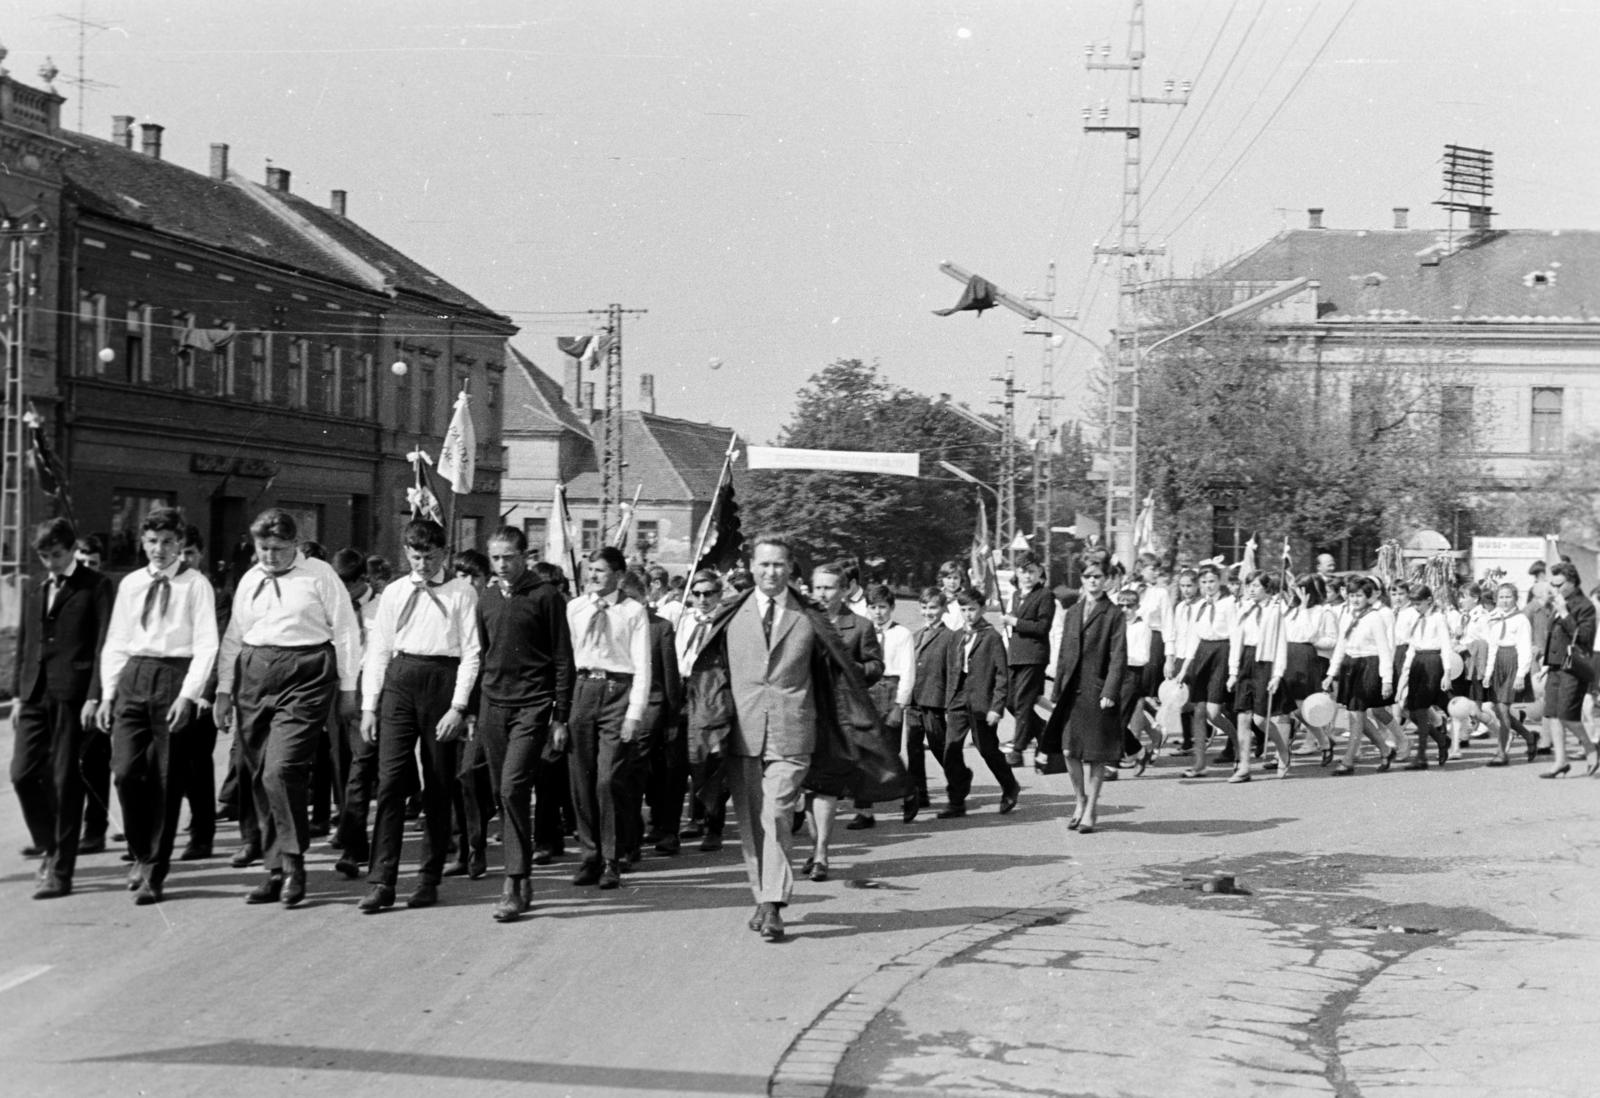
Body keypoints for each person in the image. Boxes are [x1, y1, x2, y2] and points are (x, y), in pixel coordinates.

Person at [684, 533, 905, 942]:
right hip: (743, 733)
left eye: (779, 565)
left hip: (793, 732)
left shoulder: (810, 617)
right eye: (764, 564)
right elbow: (711, 675)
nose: (771, 572)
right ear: (752, 567)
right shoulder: (730, 614)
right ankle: (762, 893)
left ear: (790, 569)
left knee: (778, 814)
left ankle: (773, 903)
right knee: (751, 822)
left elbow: (839, 674)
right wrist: (710, 726)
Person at [214, 508, 361, 909]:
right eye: (263, 548)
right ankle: (274, 869)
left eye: (279, 549)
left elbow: (346, 631)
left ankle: (295, 865)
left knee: (282, 768)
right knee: (260, 772)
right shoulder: (249, 580)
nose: (271, 557)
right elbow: (234, 636)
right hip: (255, 675)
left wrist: (349, 689)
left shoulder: (319, 575)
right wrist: (224, 690)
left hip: (307, 673)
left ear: (295, 545)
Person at [354, 519, 481, 912]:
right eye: (414, 556)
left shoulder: (462, 592)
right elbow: (378, 649)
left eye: (429, 556)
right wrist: (369, 707)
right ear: (406, 554)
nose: (422, 564)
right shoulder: (393, 592)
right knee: (391, 782)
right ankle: (381, 881)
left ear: (443, 553)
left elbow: (472, 652)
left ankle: (428, 876)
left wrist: (458, 707)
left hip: (441, 682)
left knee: (438, 784)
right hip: (400, 680)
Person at [98, 507, 219, 904]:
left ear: (181, 545)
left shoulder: (195, 585)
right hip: (134, 676)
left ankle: (154, 867)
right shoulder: (131, 584)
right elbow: (116, 639)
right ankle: (139, 849)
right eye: (152, 542)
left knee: (167, 779)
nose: (160, 550)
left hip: (173, 677)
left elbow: (206, 645)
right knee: (125, 772)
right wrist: (107, 693)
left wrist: (188, 694)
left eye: (168, 542)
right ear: (143, 543)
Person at [471, 526, 573, 923]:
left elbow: (563, 659)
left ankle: (514, 880)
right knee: (502, 791)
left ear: (524, 556)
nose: (501, 565)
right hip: (494, 706)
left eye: (508, 557)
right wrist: (474, 711)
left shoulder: (545, 596)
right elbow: (483, 653)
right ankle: (522, 874)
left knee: (514, 785)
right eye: (495, 558)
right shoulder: (487, 598)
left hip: (532, 705)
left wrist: (559, 716)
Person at [11, 518, 115, 898]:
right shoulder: (35, 589)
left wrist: (95, 695)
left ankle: (60, 870)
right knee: (22, 774)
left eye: (56, 554)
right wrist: (20, 697)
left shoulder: (96, 585)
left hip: (73, 696)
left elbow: (104, 643)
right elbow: (26, 644)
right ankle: (49, 845)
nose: (51, 562)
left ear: (72, 549)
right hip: (36, 694)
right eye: (44, 556)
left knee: (65, 780)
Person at [564, 546, 651, 890]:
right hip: (583, 690)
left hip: (617, 692)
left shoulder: (633, 611)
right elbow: (568, 658)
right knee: (581, 778)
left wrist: (634, 713)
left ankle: (612, 858)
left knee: (606, 779)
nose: (593, 576)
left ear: (617, 574)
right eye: (590, 570)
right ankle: (589, 855)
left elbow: (643, 666)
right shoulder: (575, 607)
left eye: (600, 571)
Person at [808, 561, 882, 875]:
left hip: (839, 716)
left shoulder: (860, 626)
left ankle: (822, 853)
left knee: (825, 786)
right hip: (805, 712)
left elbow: (876, 667)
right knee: (808, 788)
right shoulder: (801, 622)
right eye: (818, 588)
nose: (823, 594)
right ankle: (815, 848)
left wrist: (850, 668)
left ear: (843, 590)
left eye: (829, 588)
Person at [1043, 562, 1124, 833]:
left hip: (1097, 691)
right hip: (1071, 691)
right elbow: (1065, 652)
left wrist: (1110, 691)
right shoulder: (1073, 611)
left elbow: (1118, 656)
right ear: (1082, 579)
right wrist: (1056, 689)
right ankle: (1080, 799)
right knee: (1068, 750)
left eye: (1098, 577)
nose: (1093, 581)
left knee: (1096, 754)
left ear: (1107, 580)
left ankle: (1091, 810)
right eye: (1088, 576)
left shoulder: (1114, 614)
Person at [943, 587, 1020, 817]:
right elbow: (951, 668)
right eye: (964, 609)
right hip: (958, 698)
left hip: (981, 701)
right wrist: (948, 701)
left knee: (987, 748)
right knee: (951, 747)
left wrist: (996, 707)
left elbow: (1001, 675)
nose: (968, 614)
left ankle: (1009, 786)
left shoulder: (991, 636)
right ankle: (956, 799)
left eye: (972, 609)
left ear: (983, 609)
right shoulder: (957, 635)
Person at [330, 547, 383, 879]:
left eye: (348, 584)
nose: (343, 591)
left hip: (371, 695)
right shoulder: (332, 606)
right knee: (340, 767)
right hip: (338, 693)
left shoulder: (384, 606)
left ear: (363, 579)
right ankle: (351, 832)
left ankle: (353, 847)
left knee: (361, 769)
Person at [1323, 576, 1398, 775]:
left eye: (1359, 596)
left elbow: (1384, 649)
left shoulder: (1375, 617)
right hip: (1350, 666)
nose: (1355, 599)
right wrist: (1331, 673)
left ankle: (1348, 761)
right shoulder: (1347, 615)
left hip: (1369, 666)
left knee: (1356, 714)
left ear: (1368, 597)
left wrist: (1387, 679)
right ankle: (1385, 750)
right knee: (1356, 715)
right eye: (1352, 595)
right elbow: (1341, 645)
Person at [676, 570, 729, 852]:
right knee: (688, 759)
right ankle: (692, 816)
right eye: (697, 594)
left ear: (719, 595)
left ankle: (713, 826)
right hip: (684, 692)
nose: (702, 599)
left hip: (712, 693)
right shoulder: (685, 621)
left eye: (708, 593)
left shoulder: (725, 624)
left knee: (712, 761)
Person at [70, 534, 113, 852]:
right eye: (82, 562)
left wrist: (98, 695)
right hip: (65, 690)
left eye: (93, 563)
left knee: (93, 763)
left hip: (95, 688)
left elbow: (106, 647)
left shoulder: (103, 591)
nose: (87, 568)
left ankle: (94, 829)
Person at [1174, 563, 1238, 778]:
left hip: (1222, 652)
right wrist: (1184, 668)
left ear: (1219, 581)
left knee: (1213, 711)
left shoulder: (1229, 604)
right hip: (1202, 655)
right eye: (1204, 582)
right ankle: (1199, 763)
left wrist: (1234, 670)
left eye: (1212, 581)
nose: (1208, 586)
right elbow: (1194, 637)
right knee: (1199, 712)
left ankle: (1238, 742)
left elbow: (1236, 637)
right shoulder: (1199, 606)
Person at [1226, 571, 1290, 782]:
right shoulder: (1243, 609)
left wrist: (1277, 674)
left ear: (1266, 588)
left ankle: (1283, 751)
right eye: (1249, 586)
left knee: (1260, 719)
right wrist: (1233, 672)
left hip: (1266, 662)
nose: (1251, 590)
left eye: (1256, 586)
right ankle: (1244, 767)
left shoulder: (1275, 610)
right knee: (1243, 717)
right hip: (1246, 661)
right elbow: (1236, 641)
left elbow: (1281, 643)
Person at [863, 583, 917, 824]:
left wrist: (900, 704)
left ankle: (909, 792)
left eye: (883, 607)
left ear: (892, 608)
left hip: (890, 691)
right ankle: (865, 811)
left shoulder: (902, 634)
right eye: (873, 607)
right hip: (867, 691)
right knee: (863, 751)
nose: (878, 612)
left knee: (889, 753)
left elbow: (908, 672)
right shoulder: (863, 632)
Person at [1537, 560, 1597, 777]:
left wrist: (1564, 613)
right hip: (1555, 665)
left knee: (1567, 716)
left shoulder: (1585, 605)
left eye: (1559, 584)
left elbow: (1584, 637)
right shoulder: (1558, 603)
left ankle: (1591, 748)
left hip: (1573, 667)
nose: (1555, 589)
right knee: (1553, 714)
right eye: (1553, 585)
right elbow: (1554, 637)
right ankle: (1560, 761)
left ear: (1572, 582)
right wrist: (1546, 663)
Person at [908, 588, 963, 815]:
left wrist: (950, 703)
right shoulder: (916, 635)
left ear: (943, 610)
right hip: (914, 699)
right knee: (913, 749)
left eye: (933, 608)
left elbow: (954, 672)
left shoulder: (951, 637)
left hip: (935, 700)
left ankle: (957, 795)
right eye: (924, 607)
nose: (928, 612)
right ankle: (919, 794)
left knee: (942, 750)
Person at [1001, 554, 1053, 767]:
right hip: (1015, 654)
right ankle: (1041, 730)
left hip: (1034, 655)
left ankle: (1019, 749)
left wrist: (1015, 621)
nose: (1027, 576)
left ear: (1040, 572)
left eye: (1031, 571)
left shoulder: (1045, 595)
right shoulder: (1015, 595)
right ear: (1016, 573)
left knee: (1022, 702)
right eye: (1022, 571)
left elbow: (1042, 627)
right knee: (1009, 700)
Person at [1397, 584, 1454, 770]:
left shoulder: (1438, 618)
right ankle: (1440, 739)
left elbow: (1446, 645)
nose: (1416, 607)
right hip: (1417, 662)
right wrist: (1403, 678)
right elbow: (1412, 647)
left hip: (1432, 661)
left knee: (1421, 709)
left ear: (1429, 600)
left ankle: (1421, 756)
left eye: (1419, 603)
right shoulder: (1416, 618)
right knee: (1411, 710)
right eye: (1413, 603)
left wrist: (1447, 672)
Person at [1282, 574, 1338, 765]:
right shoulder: (1291, 610)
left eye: (1300, 589)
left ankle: (1322, 740)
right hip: (1287, 656)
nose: (1295, 592)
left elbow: (1328, 639)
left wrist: (1305, 611)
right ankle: (1281, 754)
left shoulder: (1323, 611)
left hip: (1307, 658)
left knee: (1301, 709)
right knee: (1283, 709)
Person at [1481, 581, 1536, 766]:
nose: (1504, 601)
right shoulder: (1494, 618)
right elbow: (1492, 647)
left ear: (1515, 598)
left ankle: (1502, 753)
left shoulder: (1521, 620)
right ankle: (1529, 736)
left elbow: (1525, 648)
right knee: (1497, 709)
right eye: (1501, 597)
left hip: (1514, 662)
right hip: (1498, 663)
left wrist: (1521, 674)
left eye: (1508, 597)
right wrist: (1488, 673)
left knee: (1503, 708)